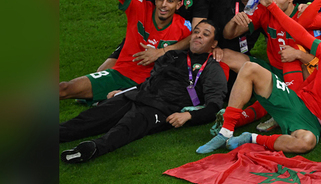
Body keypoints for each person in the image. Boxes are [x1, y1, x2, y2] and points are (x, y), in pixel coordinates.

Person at [198, 0, 321, 154]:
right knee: (250, 68)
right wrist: (271, 6)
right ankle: (225, 133)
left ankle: (251, 138)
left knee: (306, 142)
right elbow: (298, 31)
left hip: (314, 125)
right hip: (297, 102)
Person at [60, 20, 226, 163]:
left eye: (205, 34)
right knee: (94, 116)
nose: (198, 36)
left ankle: (92, 149)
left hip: (162, 108)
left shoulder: (212, 68)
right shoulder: (172, 55)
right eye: (196, 32)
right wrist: (122, 92)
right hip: (138, 95)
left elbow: (214, 107)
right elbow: (150, 81)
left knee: (128, 127)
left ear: (214, 44)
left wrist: (189, 116)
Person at [60, 0, 192, 102]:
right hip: (120, 74)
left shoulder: (184, 27)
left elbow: (198, 41)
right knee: (65, 88)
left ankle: (104, 100)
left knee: (113, 103)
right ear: (155, 0)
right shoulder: (138, 7)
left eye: (170, 1)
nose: (164, 5)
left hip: (147, 86)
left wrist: (161, 52)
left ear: (178, 5)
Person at [219, 0, 313, 94]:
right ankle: (218, 98)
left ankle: (298, 95)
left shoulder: (303, 14)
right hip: (272, 71)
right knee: (224, 55)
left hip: (298, 71)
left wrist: (298, 54)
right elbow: (228, 35)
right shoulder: (264, 10)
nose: (273, 0)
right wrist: (234, 21)